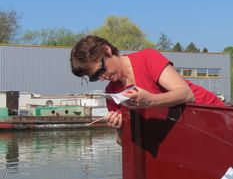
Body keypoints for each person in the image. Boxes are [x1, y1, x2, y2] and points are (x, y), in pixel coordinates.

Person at [70, 35, 224, 142]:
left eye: (100, 70)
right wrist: (118, 128)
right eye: (95, 77)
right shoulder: (113, 94)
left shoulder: (147, 58)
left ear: (107, 50)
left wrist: (150, 100)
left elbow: (186, 93)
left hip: (214, 117)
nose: (102, 77)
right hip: (185, 133)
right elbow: (124, 143)